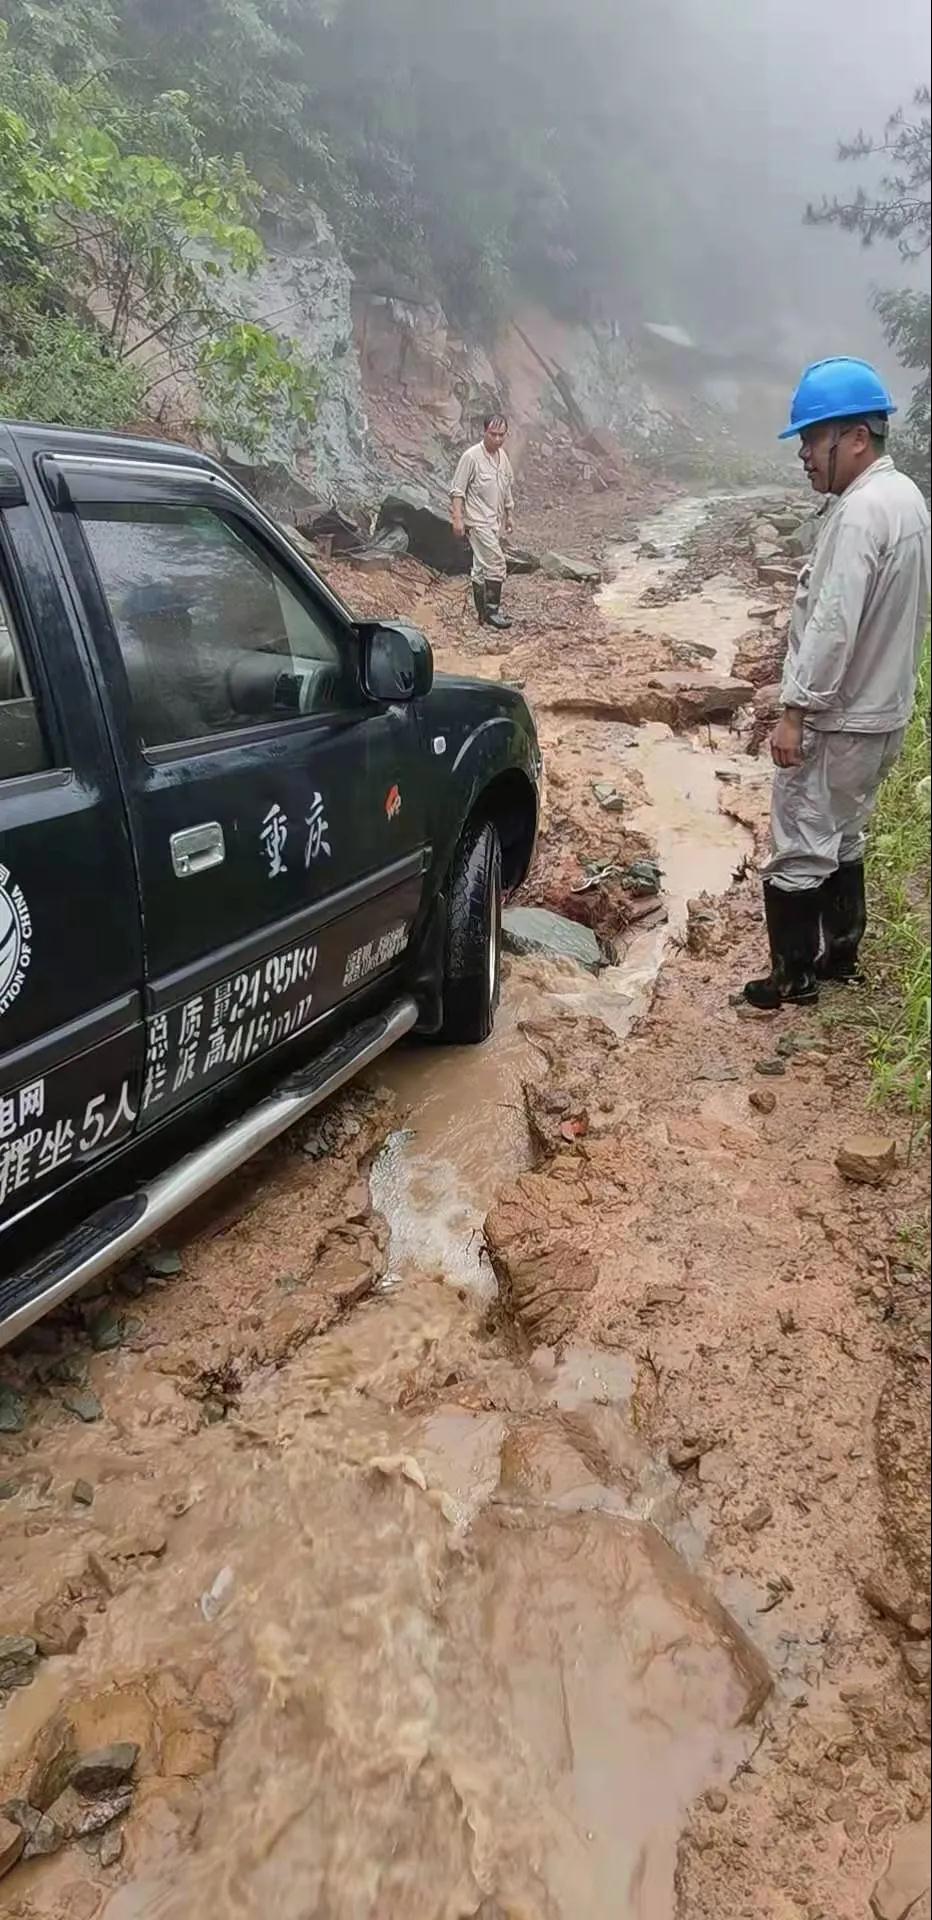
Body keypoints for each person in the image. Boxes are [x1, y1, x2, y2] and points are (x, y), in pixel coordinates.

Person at [744, 356, 930, 1009]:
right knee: (845, 833)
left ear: (855, 438)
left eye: (811, 439)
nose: (803, 454)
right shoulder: (906, 498)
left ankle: (791, 978)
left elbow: (831, 627)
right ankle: (840, 955)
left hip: (840, 717)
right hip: (884, 714)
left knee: (799, 844)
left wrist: (794, 711)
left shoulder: (858, 515)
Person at [450, 412, 516, 630]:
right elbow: (457, 491)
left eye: (501, 435)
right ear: (484, 432)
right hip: (477, 522)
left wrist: (509, 514)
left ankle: (481, 614)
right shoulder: (471, 457)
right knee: (497, 564)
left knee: (480, 567)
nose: (497, 439)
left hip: (494, 520)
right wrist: (457, 519)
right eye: (493, 434)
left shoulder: (502, 457)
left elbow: (505, 487)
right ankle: (492, 612)